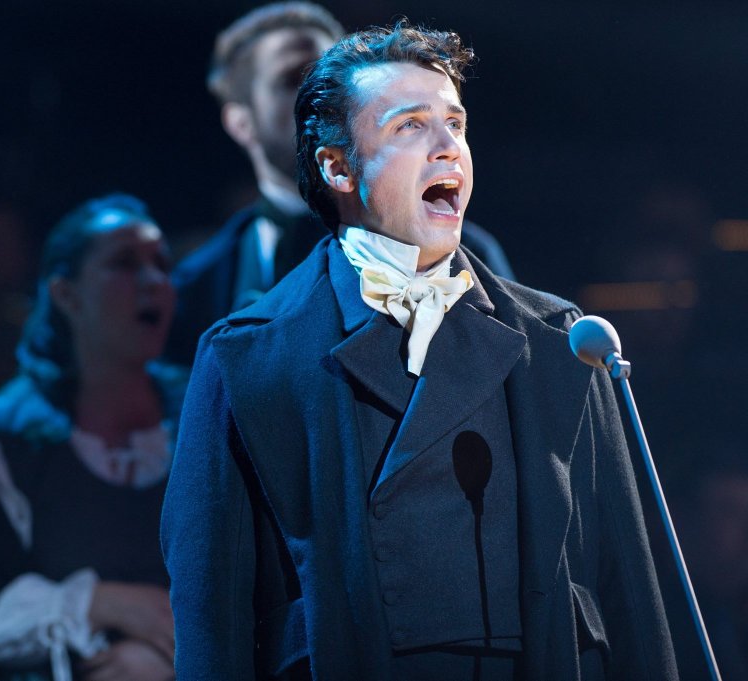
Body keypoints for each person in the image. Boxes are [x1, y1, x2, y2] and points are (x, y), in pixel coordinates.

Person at [161, 21, 680, 680]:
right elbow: (213, 621)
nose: (448, 149)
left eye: (455, 125)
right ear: (338, 167)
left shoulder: (561, 338)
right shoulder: (249, 358)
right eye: (410, 126)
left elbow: (632, 589)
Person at [165, 2, 514, 366]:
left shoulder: (470, 252)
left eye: (328, 77)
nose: (318, 97)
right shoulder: (197, 284)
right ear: (241, 122)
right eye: (291, 80)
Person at [0, 194, 183, 681]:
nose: (154, 281)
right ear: (66, 295)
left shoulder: (206, 409)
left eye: (162, 264)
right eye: (124, 264)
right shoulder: (4, 440)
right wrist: (105, 603)